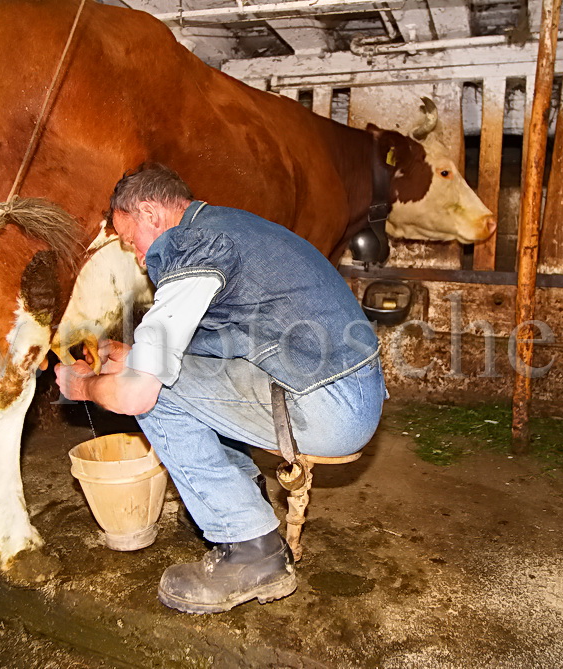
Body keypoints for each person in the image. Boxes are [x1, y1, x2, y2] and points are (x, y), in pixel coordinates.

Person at [56, 162, 385, 614]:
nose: (135, 255)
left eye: (130, 239)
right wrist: (131, 354)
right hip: (347, 388)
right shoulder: (229, 228)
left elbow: (138, 394)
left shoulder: (192, 244)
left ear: (150, 213)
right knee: (164, 373)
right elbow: (227, 344)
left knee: (157, 394)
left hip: (329, 402)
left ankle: (251, 550)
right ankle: (244, 498)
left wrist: (85, 385)